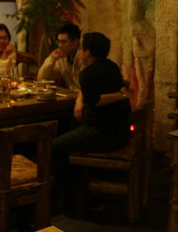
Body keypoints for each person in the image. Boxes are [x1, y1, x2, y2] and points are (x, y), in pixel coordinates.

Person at [51, 32, 131, 205]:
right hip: (122, 131)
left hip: (103, 132)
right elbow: (90, 92)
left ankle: (67, 196)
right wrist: (81, 98)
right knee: (69, 135)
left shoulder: (88, 73)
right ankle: (75, 189)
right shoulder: (112, 66)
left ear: (87, 52)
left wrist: (119, 95)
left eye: (81, 48)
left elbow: (94, 100)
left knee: (54, 146)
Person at [37, 23, 86, 91]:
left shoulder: (84, 57)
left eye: (64, 42)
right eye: (59, 42)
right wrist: (52, 58)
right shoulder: (62, 58)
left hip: (83, 98)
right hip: (71, 96)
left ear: (75, 42)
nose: (60, 45)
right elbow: (41, 78)